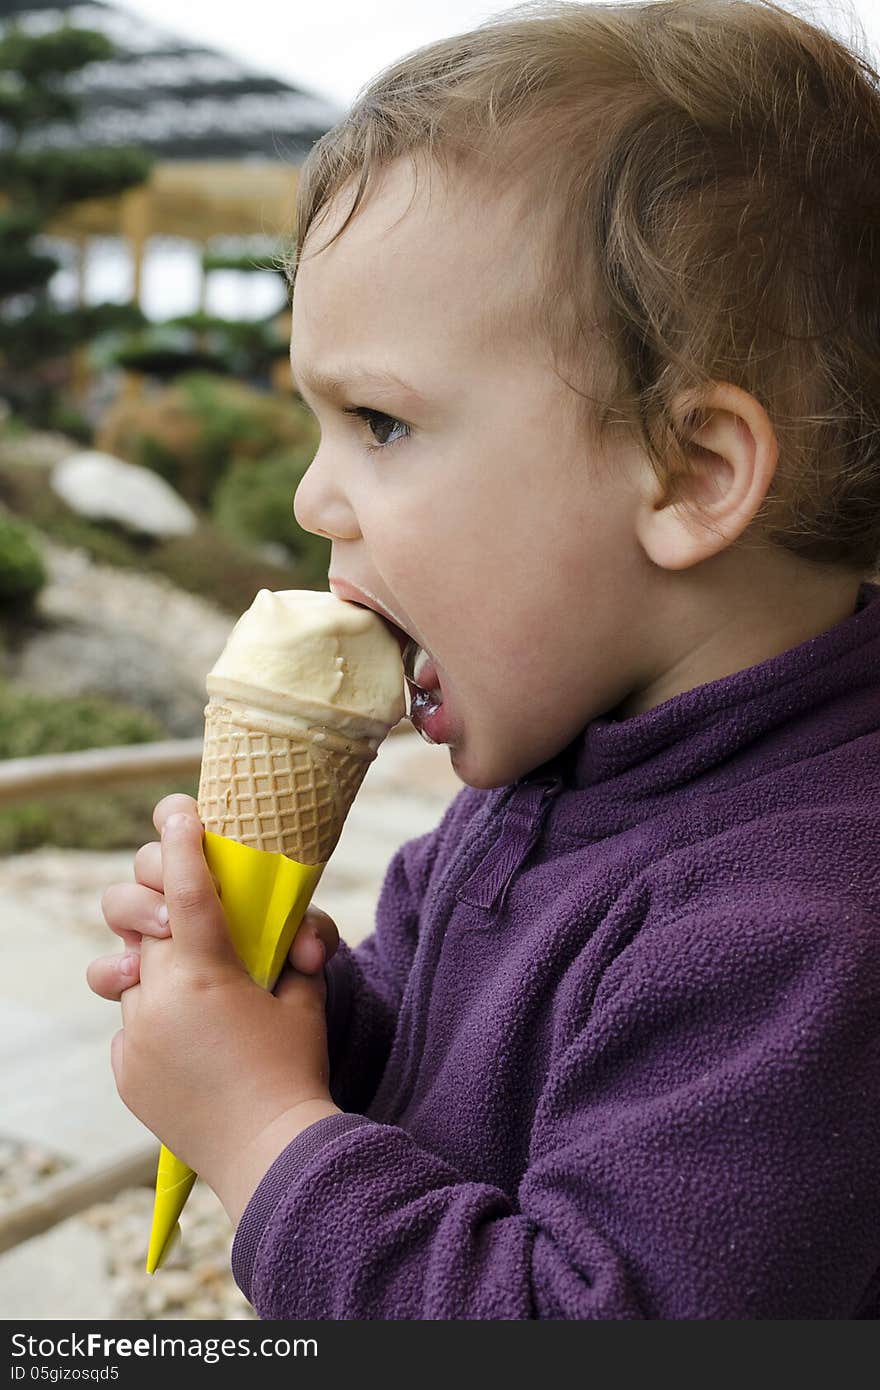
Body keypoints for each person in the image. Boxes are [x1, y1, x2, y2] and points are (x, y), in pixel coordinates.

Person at [87, 0, 880, 1317]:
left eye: (380, 422)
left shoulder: (799, 938)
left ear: (688, 473)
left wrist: (263, 1128)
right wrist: (312, 1026)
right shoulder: (529, 794)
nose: (309, 500)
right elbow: (471, 1094)